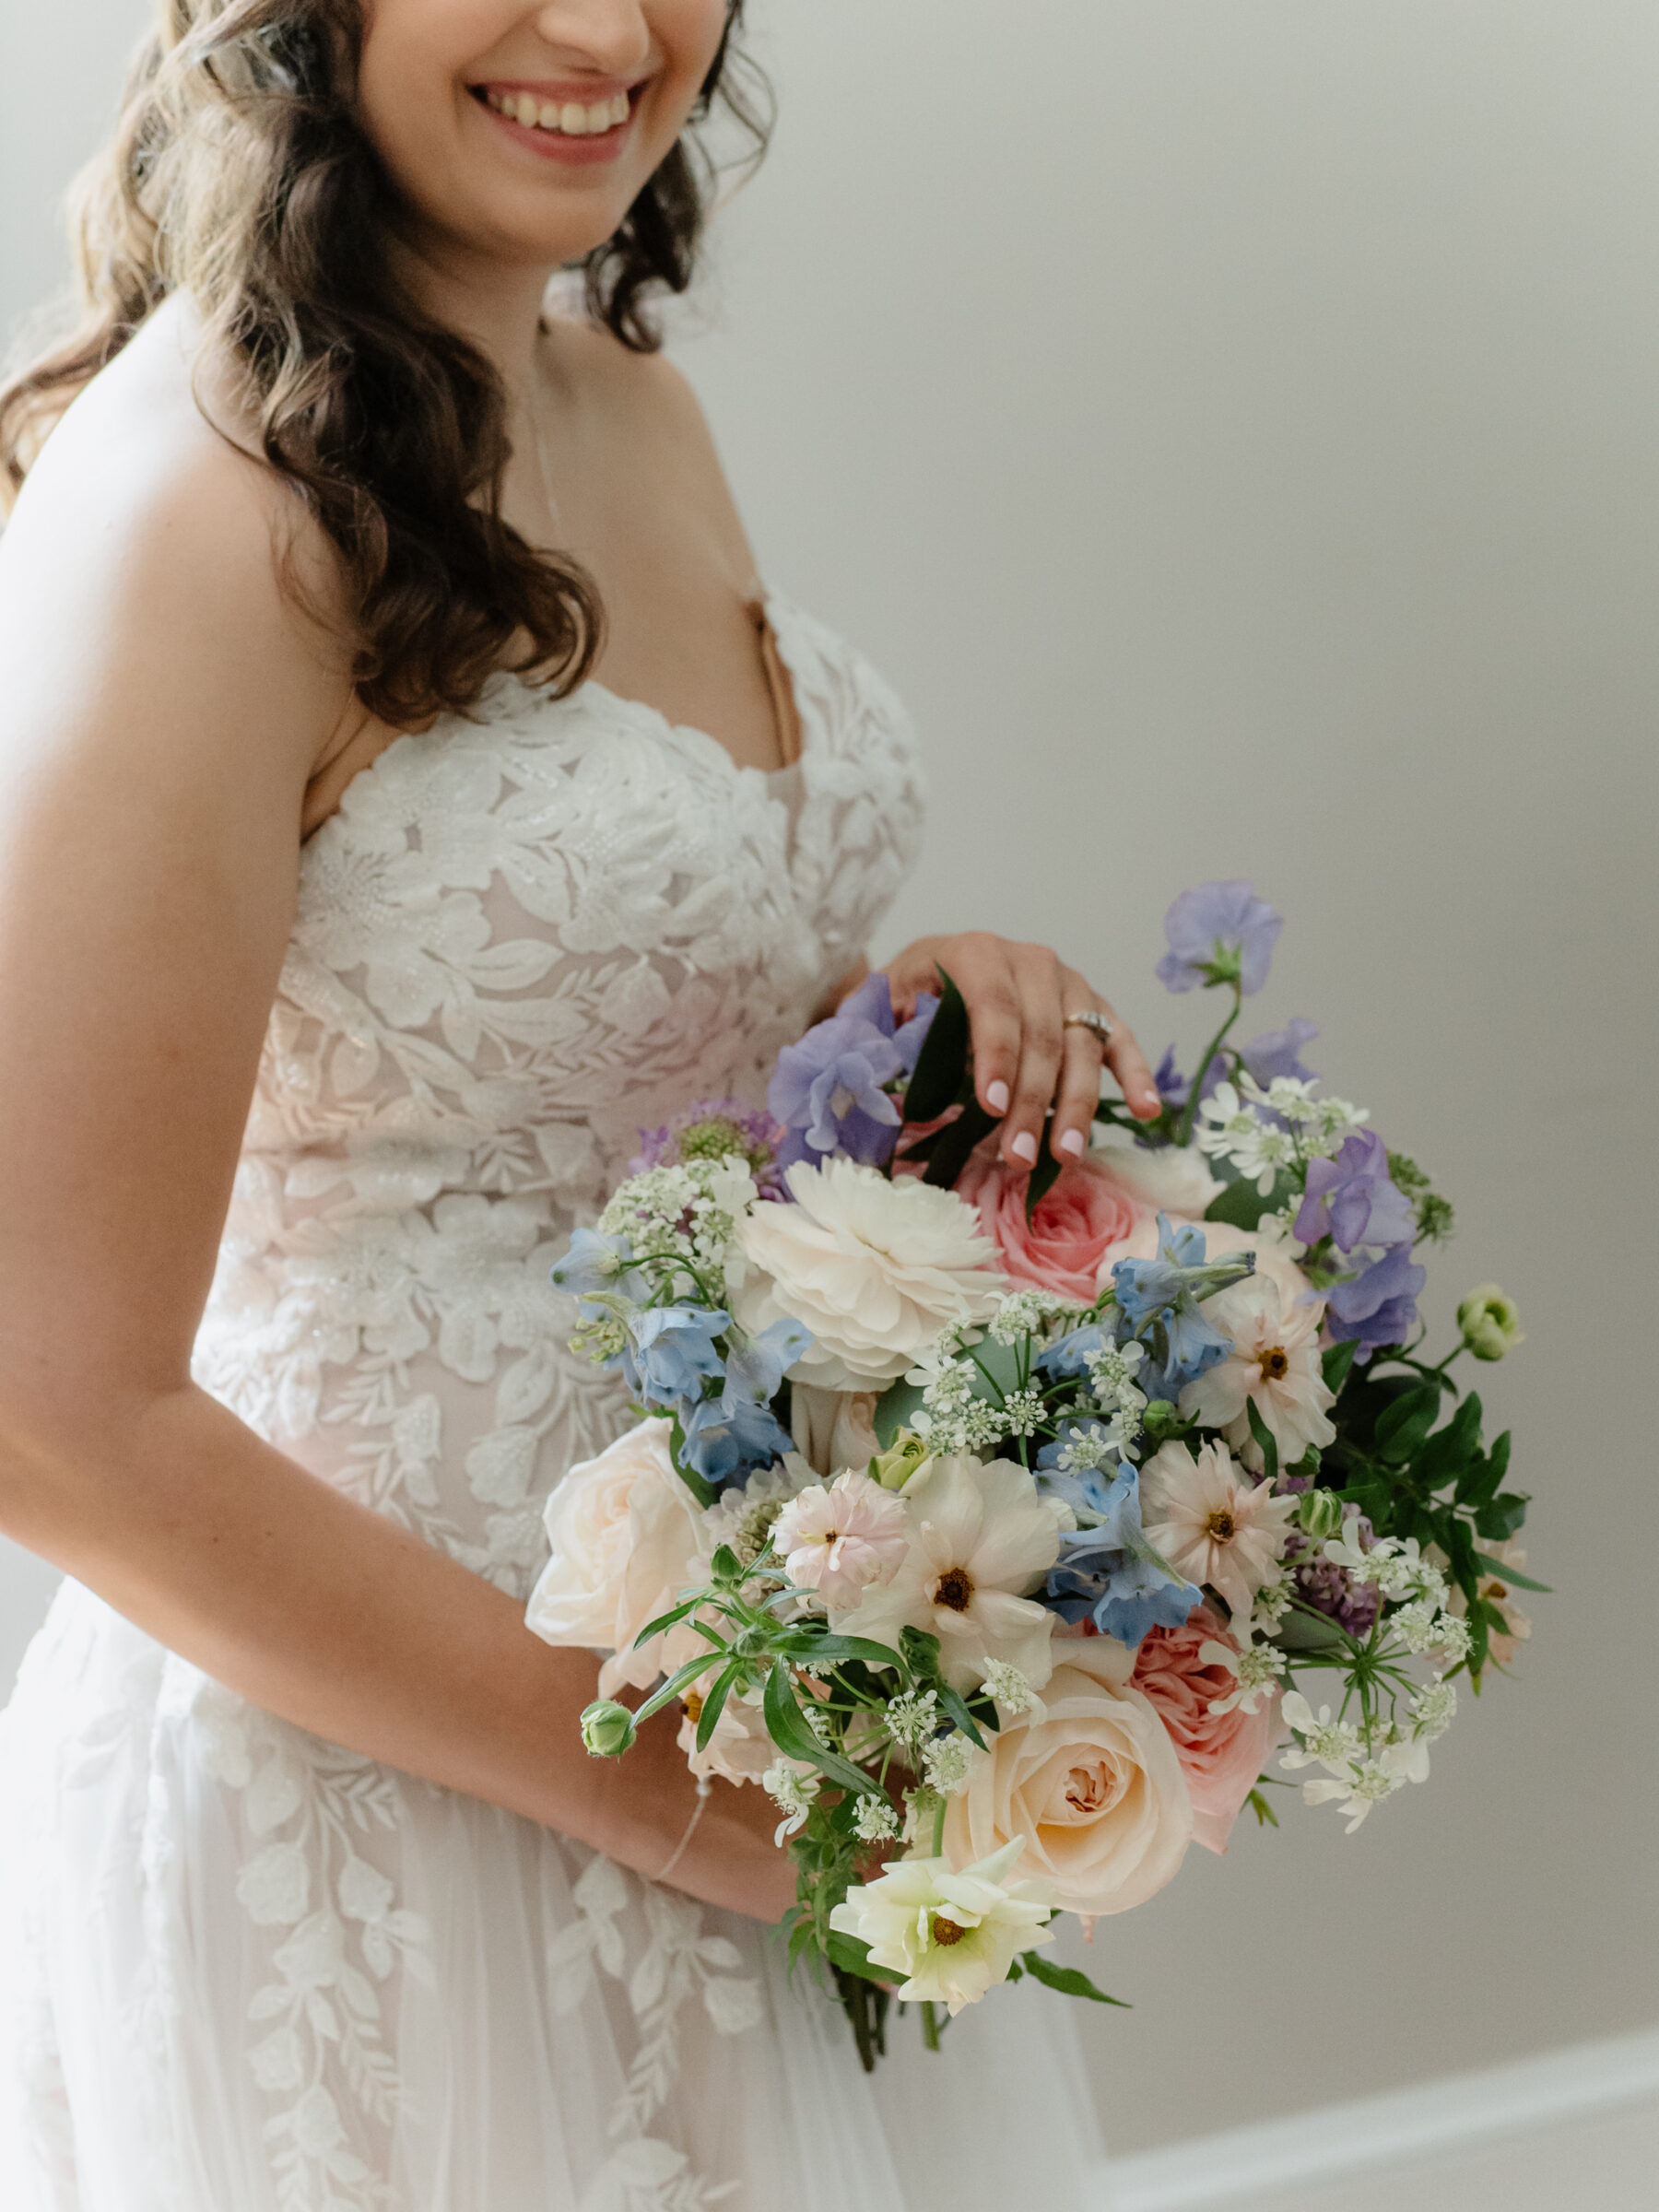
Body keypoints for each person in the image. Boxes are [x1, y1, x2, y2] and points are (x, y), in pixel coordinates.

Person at [0, 5, 1158, 2205]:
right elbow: (40, 1405)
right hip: (398, 1796)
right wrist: (684, 1798)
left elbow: (605, 1042)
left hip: (748, 1677)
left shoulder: (629, 397)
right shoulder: (197, 501)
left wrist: (894, 1026)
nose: (610, 31)